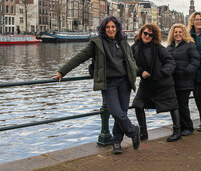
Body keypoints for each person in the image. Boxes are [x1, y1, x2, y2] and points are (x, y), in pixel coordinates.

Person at [51, 16, 140, 154]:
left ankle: (116, 142)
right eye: (108, 27)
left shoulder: (122, 41)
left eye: (113, 27)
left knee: (122, 113)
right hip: (108, 83)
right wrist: (62, 72)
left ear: (117, 28)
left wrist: (134, 70)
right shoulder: (97, 43)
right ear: (104, 29)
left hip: (124, 82)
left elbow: (130, 58)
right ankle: (133, 131)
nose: (111, 29)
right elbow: (79, 57)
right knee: (116, 113)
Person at [131, 23, 182, 142]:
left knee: (172, 105)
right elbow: (131, 64)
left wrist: (162, 73)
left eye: (150, 34)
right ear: (141, 33)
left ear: (154, 37)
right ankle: (143, 132)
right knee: (138, 104)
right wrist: (140, 71)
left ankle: (177, 131)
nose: (147, 36)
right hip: (146, 83)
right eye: (145, 33)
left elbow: (170, 62)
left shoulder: (158, 48)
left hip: (163, 83)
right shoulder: (134, 48)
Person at [166, 23, 200, 137]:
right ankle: (178, 126)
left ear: (184, 33)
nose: (178, 34)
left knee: (183, 104)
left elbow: (195, 61)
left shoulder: (190, 45)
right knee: (175, 105)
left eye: (180, 32)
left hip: (185, 80)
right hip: (173, 81)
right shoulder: (169, 47)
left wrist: (186, 71)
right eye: (176, 32)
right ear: (172, 34)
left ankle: (188, 127)